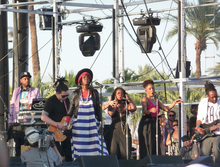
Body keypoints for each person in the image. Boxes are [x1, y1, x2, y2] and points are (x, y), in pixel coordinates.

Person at [66, 68, 109, 160]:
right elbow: (71, 110)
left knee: (95, 147)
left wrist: (100, 123)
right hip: (79, 126)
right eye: (84, 77)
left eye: (88, 77)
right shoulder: (76, 93)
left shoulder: (94, 92)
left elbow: (98, 109)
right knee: (79, 148)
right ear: (80, 80)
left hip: (92, 124)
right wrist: (66, 123)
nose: (86, 79)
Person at [138, 79, 182, 159]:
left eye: (153, 88)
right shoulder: (145, 99)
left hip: (155, 122)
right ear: (146, 90)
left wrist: (174, 102)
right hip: (147, 123)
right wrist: (150, 110)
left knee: (156, 141)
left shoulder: (156, 100)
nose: (152, 90)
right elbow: (144, 112)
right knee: (148, 143)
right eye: (150, 89)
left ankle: (155, 159)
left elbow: (166, 108)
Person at [8, 72, 40, 157]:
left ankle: (30, 161)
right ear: (21, 80)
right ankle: (18, 161)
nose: (27, 80)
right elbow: (12, 105)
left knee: (31, 142)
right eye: (25, 79)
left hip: (30, 121)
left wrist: (32, 105)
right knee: (18, 143)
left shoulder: (35, 90)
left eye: (28, 78)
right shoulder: (16, 91)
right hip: (18, 120)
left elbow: (39, 105)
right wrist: (10, 120)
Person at [41, 77, 72, 162]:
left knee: (68, 154)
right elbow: (43, 117)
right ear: (57, 93)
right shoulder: (51, 101)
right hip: (54, 131)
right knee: (56, 155)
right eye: (63, 96)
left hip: (65, 131)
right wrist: (58, 124)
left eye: (67, 95)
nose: (65, 97)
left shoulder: (67, 101)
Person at [108, 87, 137, 159]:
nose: (120, 94)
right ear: (115, 95)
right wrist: (115, 103)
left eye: (122, 93)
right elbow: (111, 113)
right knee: (113, 152)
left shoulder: (126, 105)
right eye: (118, 93)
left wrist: (128, 99)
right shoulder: (111, 105)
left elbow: (134, 108)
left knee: (125, 153)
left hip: (124, 130)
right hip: (114, 131)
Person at [196, 81, 220, 163]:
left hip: (217, 133)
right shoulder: (203, 102)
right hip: (206, 134)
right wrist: (198, 128)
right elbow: (199, 118)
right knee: (204, 154)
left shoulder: (219, 104)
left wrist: (214, 127)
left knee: (217, 151)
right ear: (207, 96)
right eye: (212, 97)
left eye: (216, 96)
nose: (215, 99)